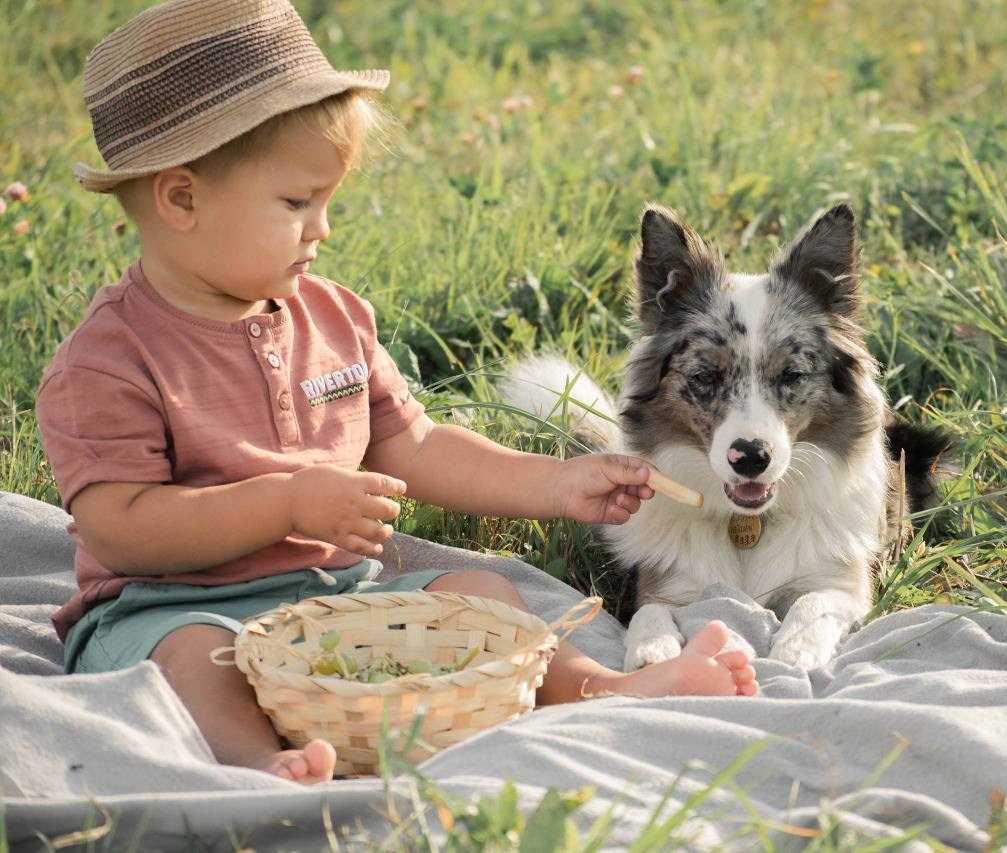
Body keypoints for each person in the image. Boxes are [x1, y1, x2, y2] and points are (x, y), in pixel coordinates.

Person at [36, 0, 757, 786]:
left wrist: (555, 481)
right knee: (193, 662)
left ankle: (604, 690)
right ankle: (260, 765)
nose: (322, 229)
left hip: (334, 599)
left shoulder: (334, 318)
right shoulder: (110, 359)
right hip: (166, 607)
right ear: (181, 200)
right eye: (295, 203)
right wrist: (285, 503)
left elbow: (412, 444)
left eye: (327, 201)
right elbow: (121, 530)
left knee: (480, 592)